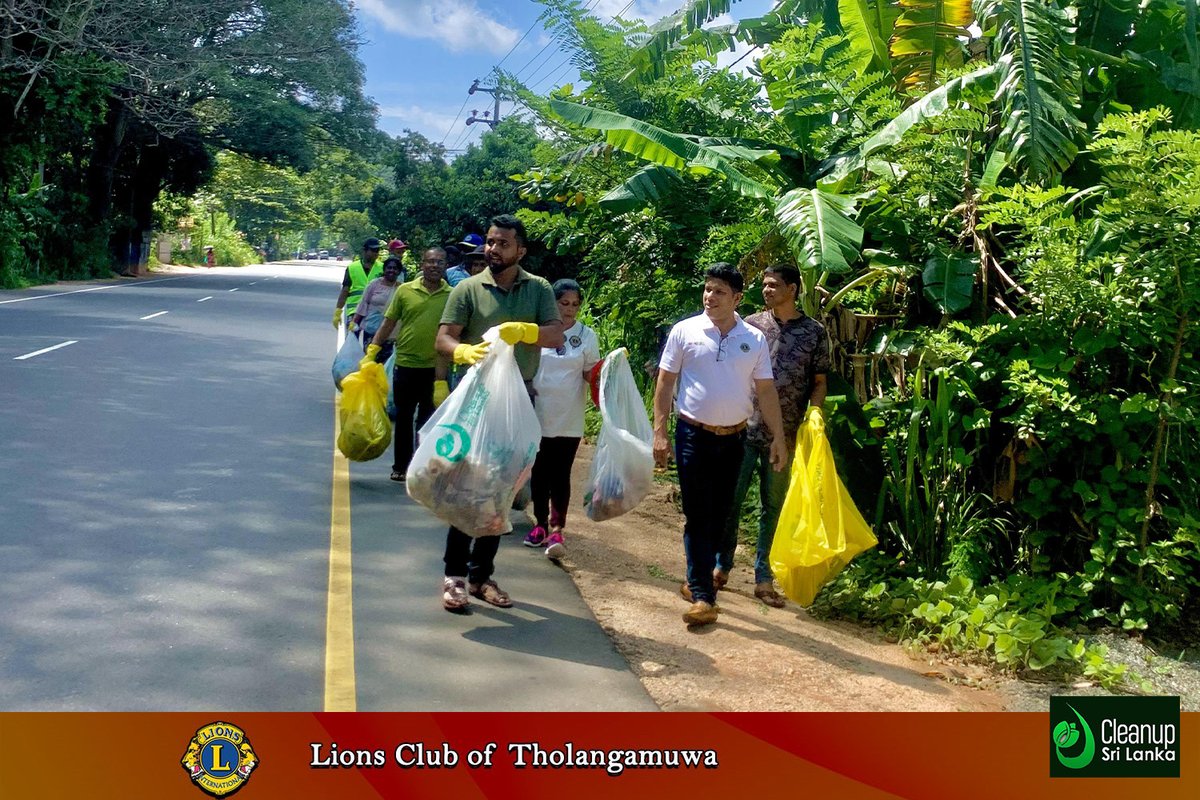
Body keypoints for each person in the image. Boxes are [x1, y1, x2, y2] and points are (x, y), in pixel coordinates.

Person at [434, 214, 563, 612]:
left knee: (501, 489)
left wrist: (525, 331)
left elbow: (556, 334)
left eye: (502, 243)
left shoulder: (538, 288)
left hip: (518, 397)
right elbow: (444, 336)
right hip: (474, 396)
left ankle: (480, 576)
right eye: (490, 242)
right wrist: (461, 352)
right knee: (465, 486)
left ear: (520, 250)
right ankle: (454, 577)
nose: (493, 249)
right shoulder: (469, 289)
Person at [652, 263, 788, 627]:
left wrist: (778, 438)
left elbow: (765, 391)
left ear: (737, 298)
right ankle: (703, 595)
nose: (710, 297)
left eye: (719, 292)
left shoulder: (754, 339)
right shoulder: (685, 331)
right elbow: (665, 383)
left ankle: (696, 579)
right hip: (693, 435)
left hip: (734, 439)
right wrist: (660, 432)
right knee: (698, 513)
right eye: (708, 289)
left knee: (722, 514)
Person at [716, 265, 828, 608]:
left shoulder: (814, 333)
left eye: (773, 285)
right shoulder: (749, 325)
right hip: (743, 427)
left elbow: (819, 382)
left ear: (792, 289)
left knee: (773, 506)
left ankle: (764, 578)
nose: (766, 290)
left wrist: (815, 413)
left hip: (786, 434)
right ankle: (721, 567)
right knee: (730, 502)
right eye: (763, 285)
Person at [523, 279, 601, 560]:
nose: (569, 310)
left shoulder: (586, 336)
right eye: (563, 303)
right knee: (540, 471)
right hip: (538, 413)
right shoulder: (540, 331)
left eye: (575, 305)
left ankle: (558, 528)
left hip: (569, 416)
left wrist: (609, 378)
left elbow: (591, 374)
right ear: (553, 304)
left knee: (561, 473)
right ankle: (540, 525)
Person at [362, 248, 452, 482]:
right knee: (403, 418)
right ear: (421, 264)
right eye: (430, 261)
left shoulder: (453, 295)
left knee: (428, 421)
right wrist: (373, 350)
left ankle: (420, 468)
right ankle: (401, 467)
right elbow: (388, 323)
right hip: (405, 365)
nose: (434, 265)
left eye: (439, 262)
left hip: (436, 370)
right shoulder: (405, 291)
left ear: (445, 265)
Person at [351, 257, 403, 358]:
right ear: (384, 270)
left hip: (390, 334)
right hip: (371, 330)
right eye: (389, 268)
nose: (391, 270)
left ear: (399, 271)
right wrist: (354, 323)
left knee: (385, 365)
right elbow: (363, 304)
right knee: (369, 360)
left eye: (395, 268)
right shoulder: (374, 284)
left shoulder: (401, 289)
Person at [333, 238, 384, 335]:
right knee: (351, 341)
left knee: (370, 345)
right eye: (373, 250)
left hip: (374, 312)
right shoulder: (352, 268)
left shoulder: (382, 268)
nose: (375, 253)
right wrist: (338, 311)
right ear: (364, 251)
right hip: (354, 311)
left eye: (377, 251)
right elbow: (345, 291)